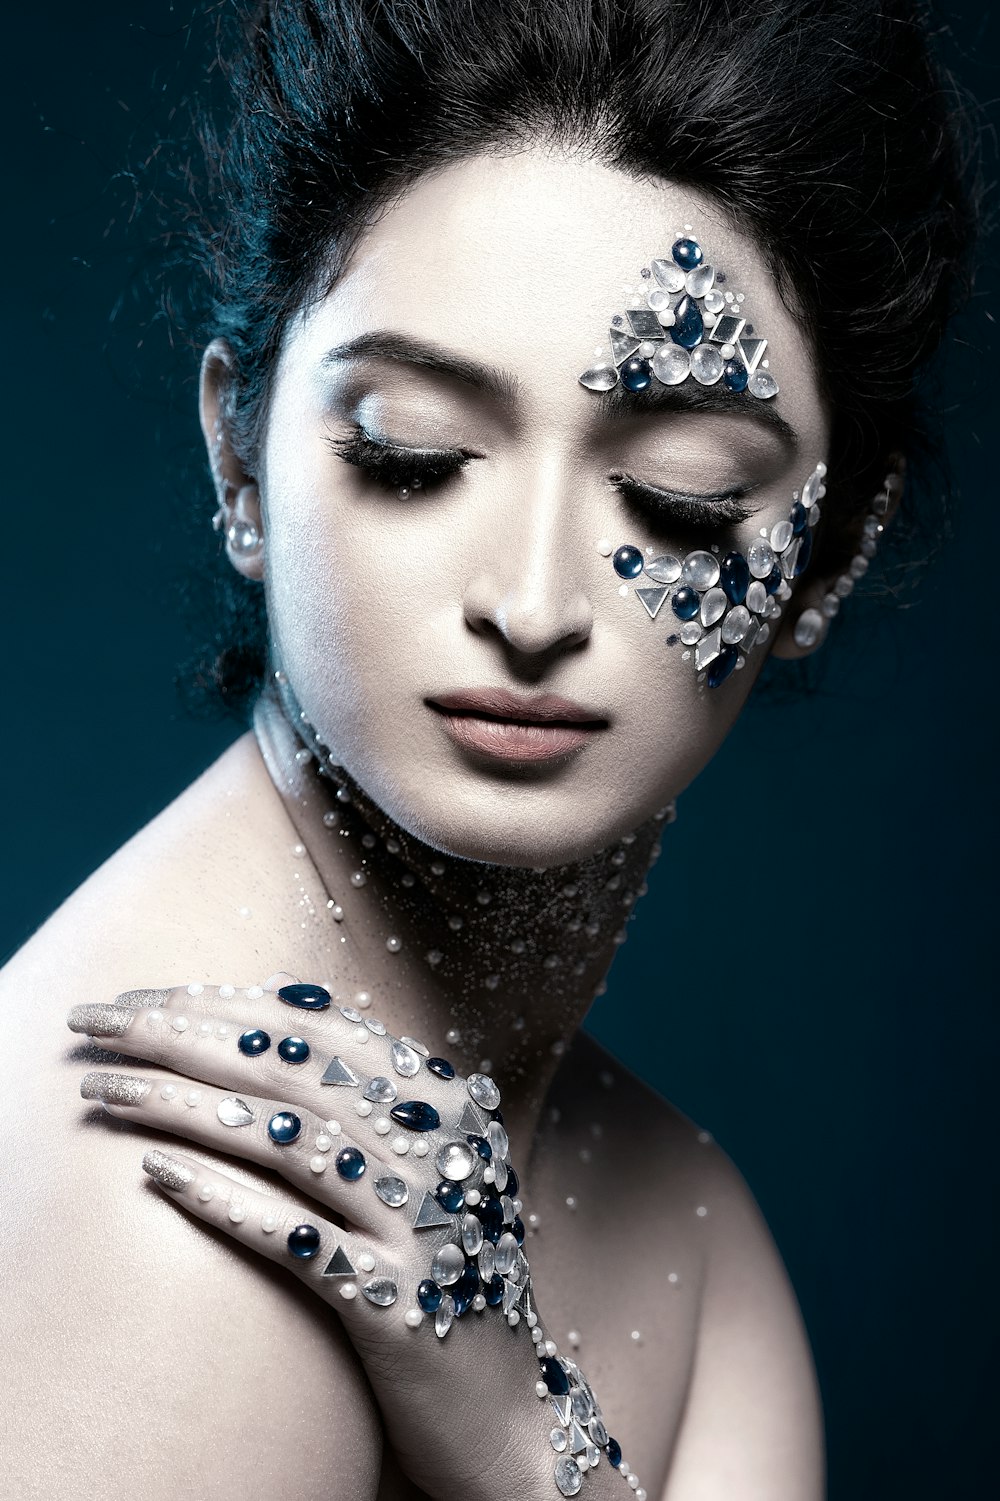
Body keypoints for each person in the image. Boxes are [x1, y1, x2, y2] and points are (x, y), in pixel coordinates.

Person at [0, 1, 975, 1497]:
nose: (530, 603)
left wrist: (524, 1437)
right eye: (413, 456)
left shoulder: (694, 1231)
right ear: (239, 458)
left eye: (682, 498)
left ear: (831, 556)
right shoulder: (155, 1186)